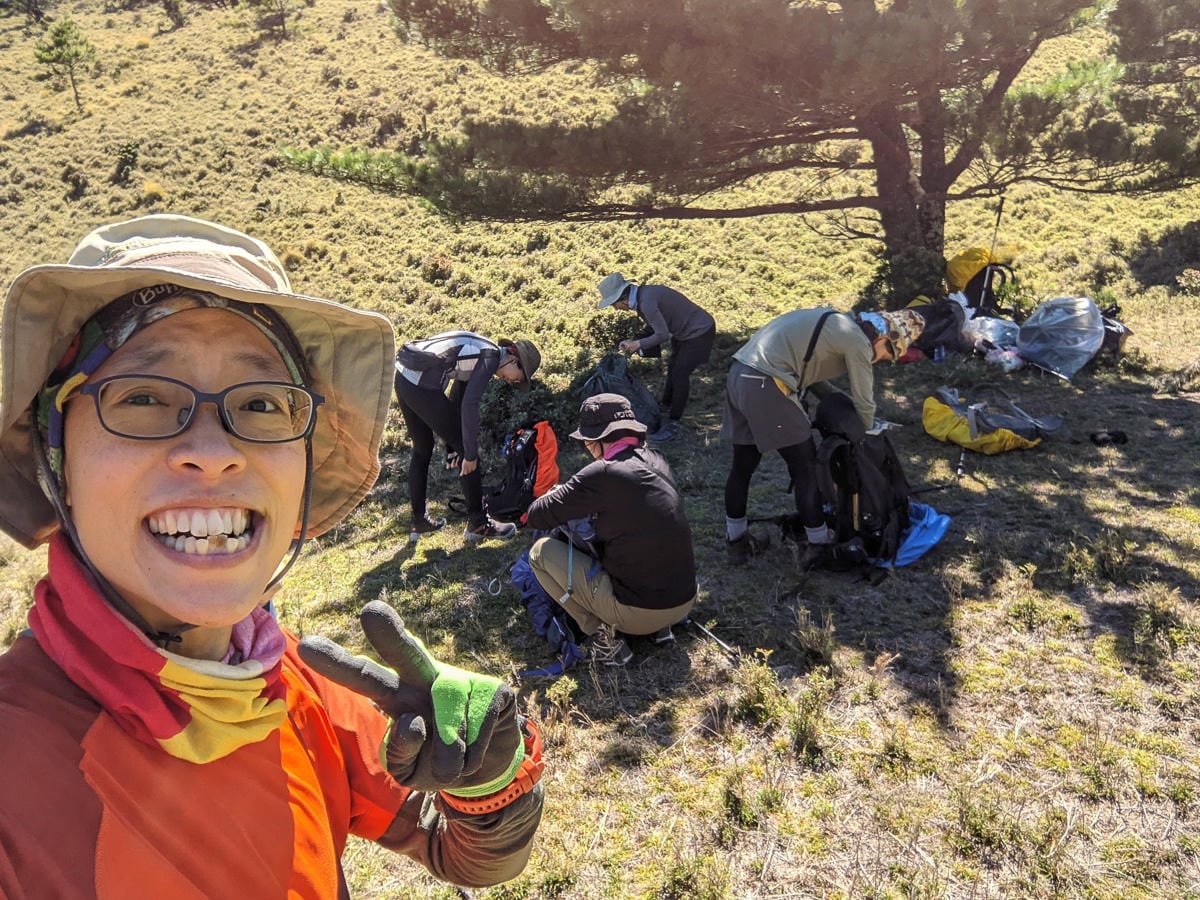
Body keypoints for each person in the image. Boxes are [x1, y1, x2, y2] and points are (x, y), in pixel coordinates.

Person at [0, 215, 544, 896]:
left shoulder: (285, 678)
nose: (216, 451)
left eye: (260, 402)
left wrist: (492, 782)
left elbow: (461, 852)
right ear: (58, 466)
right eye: (142, 397)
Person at [722, 307, 923, 566]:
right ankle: (817, 546)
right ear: (885, 338)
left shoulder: (839, 324)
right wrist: (864, 432)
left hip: (741, 374)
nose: (883, 359)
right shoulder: (858, 341)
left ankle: (736, 542)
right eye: (889, 353)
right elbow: (865, 400)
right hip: (767, 384)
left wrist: (839, 403)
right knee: (807, 469)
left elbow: (813, 379)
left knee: (742, 467)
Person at [524, 393, 698, 666]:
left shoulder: (601, 474)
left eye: (586, 442)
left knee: (540, 553)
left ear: (594, 441)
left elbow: (536, 516)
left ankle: (603, 638)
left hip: (639, 614)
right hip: (685, 600)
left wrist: (561, 493)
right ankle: (659, 628)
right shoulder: (658, 460)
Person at [395, 330, 540, 543]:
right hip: (421, 385)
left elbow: (458, 399)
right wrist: (468, 453)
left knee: (422, 449)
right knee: (469, 450)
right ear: (513, 358)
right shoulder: (491, 357)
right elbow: (470, 407)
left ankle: (419, 521)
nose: (513, 382)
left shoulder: (478, 353)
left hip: (405, 379)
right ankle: (478, 524)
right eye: (519, 377)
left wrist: (452, 447)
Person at [597, 272, 716, 442]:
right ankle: (666, 405)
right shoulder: (643, 296)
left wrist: (638, 345)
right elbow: (654, 325)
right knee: (673, 368)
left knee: (680, 374)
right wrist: (635, 340)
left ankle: (674, 423)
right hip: (685, 333)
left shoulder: (646, 303)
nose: (616, 309)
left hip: (699, 332)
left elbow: (662, 335)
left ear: (622, 299)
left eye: (614, 305)